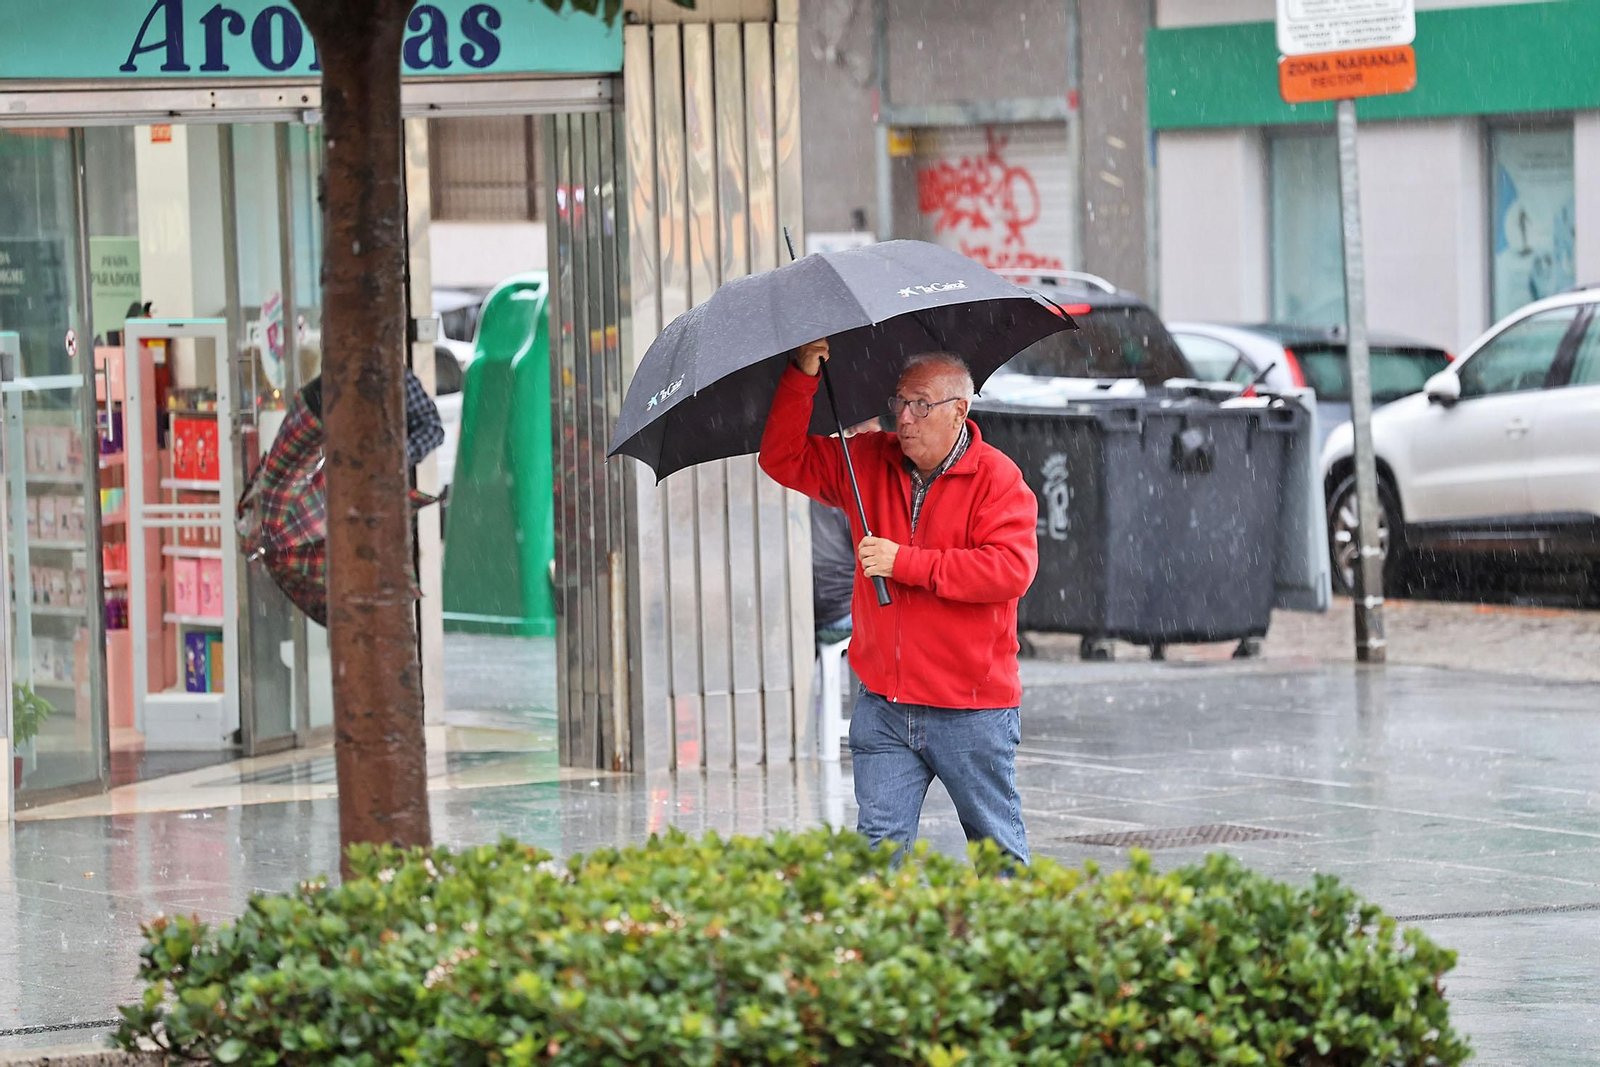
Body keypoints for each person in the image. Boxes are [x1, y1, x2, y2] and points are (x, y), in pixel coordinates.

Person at [760, 338, 1040, 865]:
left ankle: (1016, 943)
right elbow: (781, 457)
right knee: (876, 856)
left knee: (997, 851)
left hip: (971, 708)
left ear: (960, 410)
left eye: (921, 405)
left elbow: (1009, 571)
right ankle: (875, 949)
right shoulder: (866, 462)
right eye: (900, 403)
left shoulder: (998, 479)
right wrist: (802, 373)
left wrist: (905, 563)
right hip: (885, 706)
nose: (905, 419)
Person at [812, 419, 883, 647]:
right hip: (842, 612)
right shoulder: (851, 488)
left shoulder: (812, 482)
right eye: (871, 426)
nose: (878, 431)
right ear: (851, 433)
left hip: (805, 611)